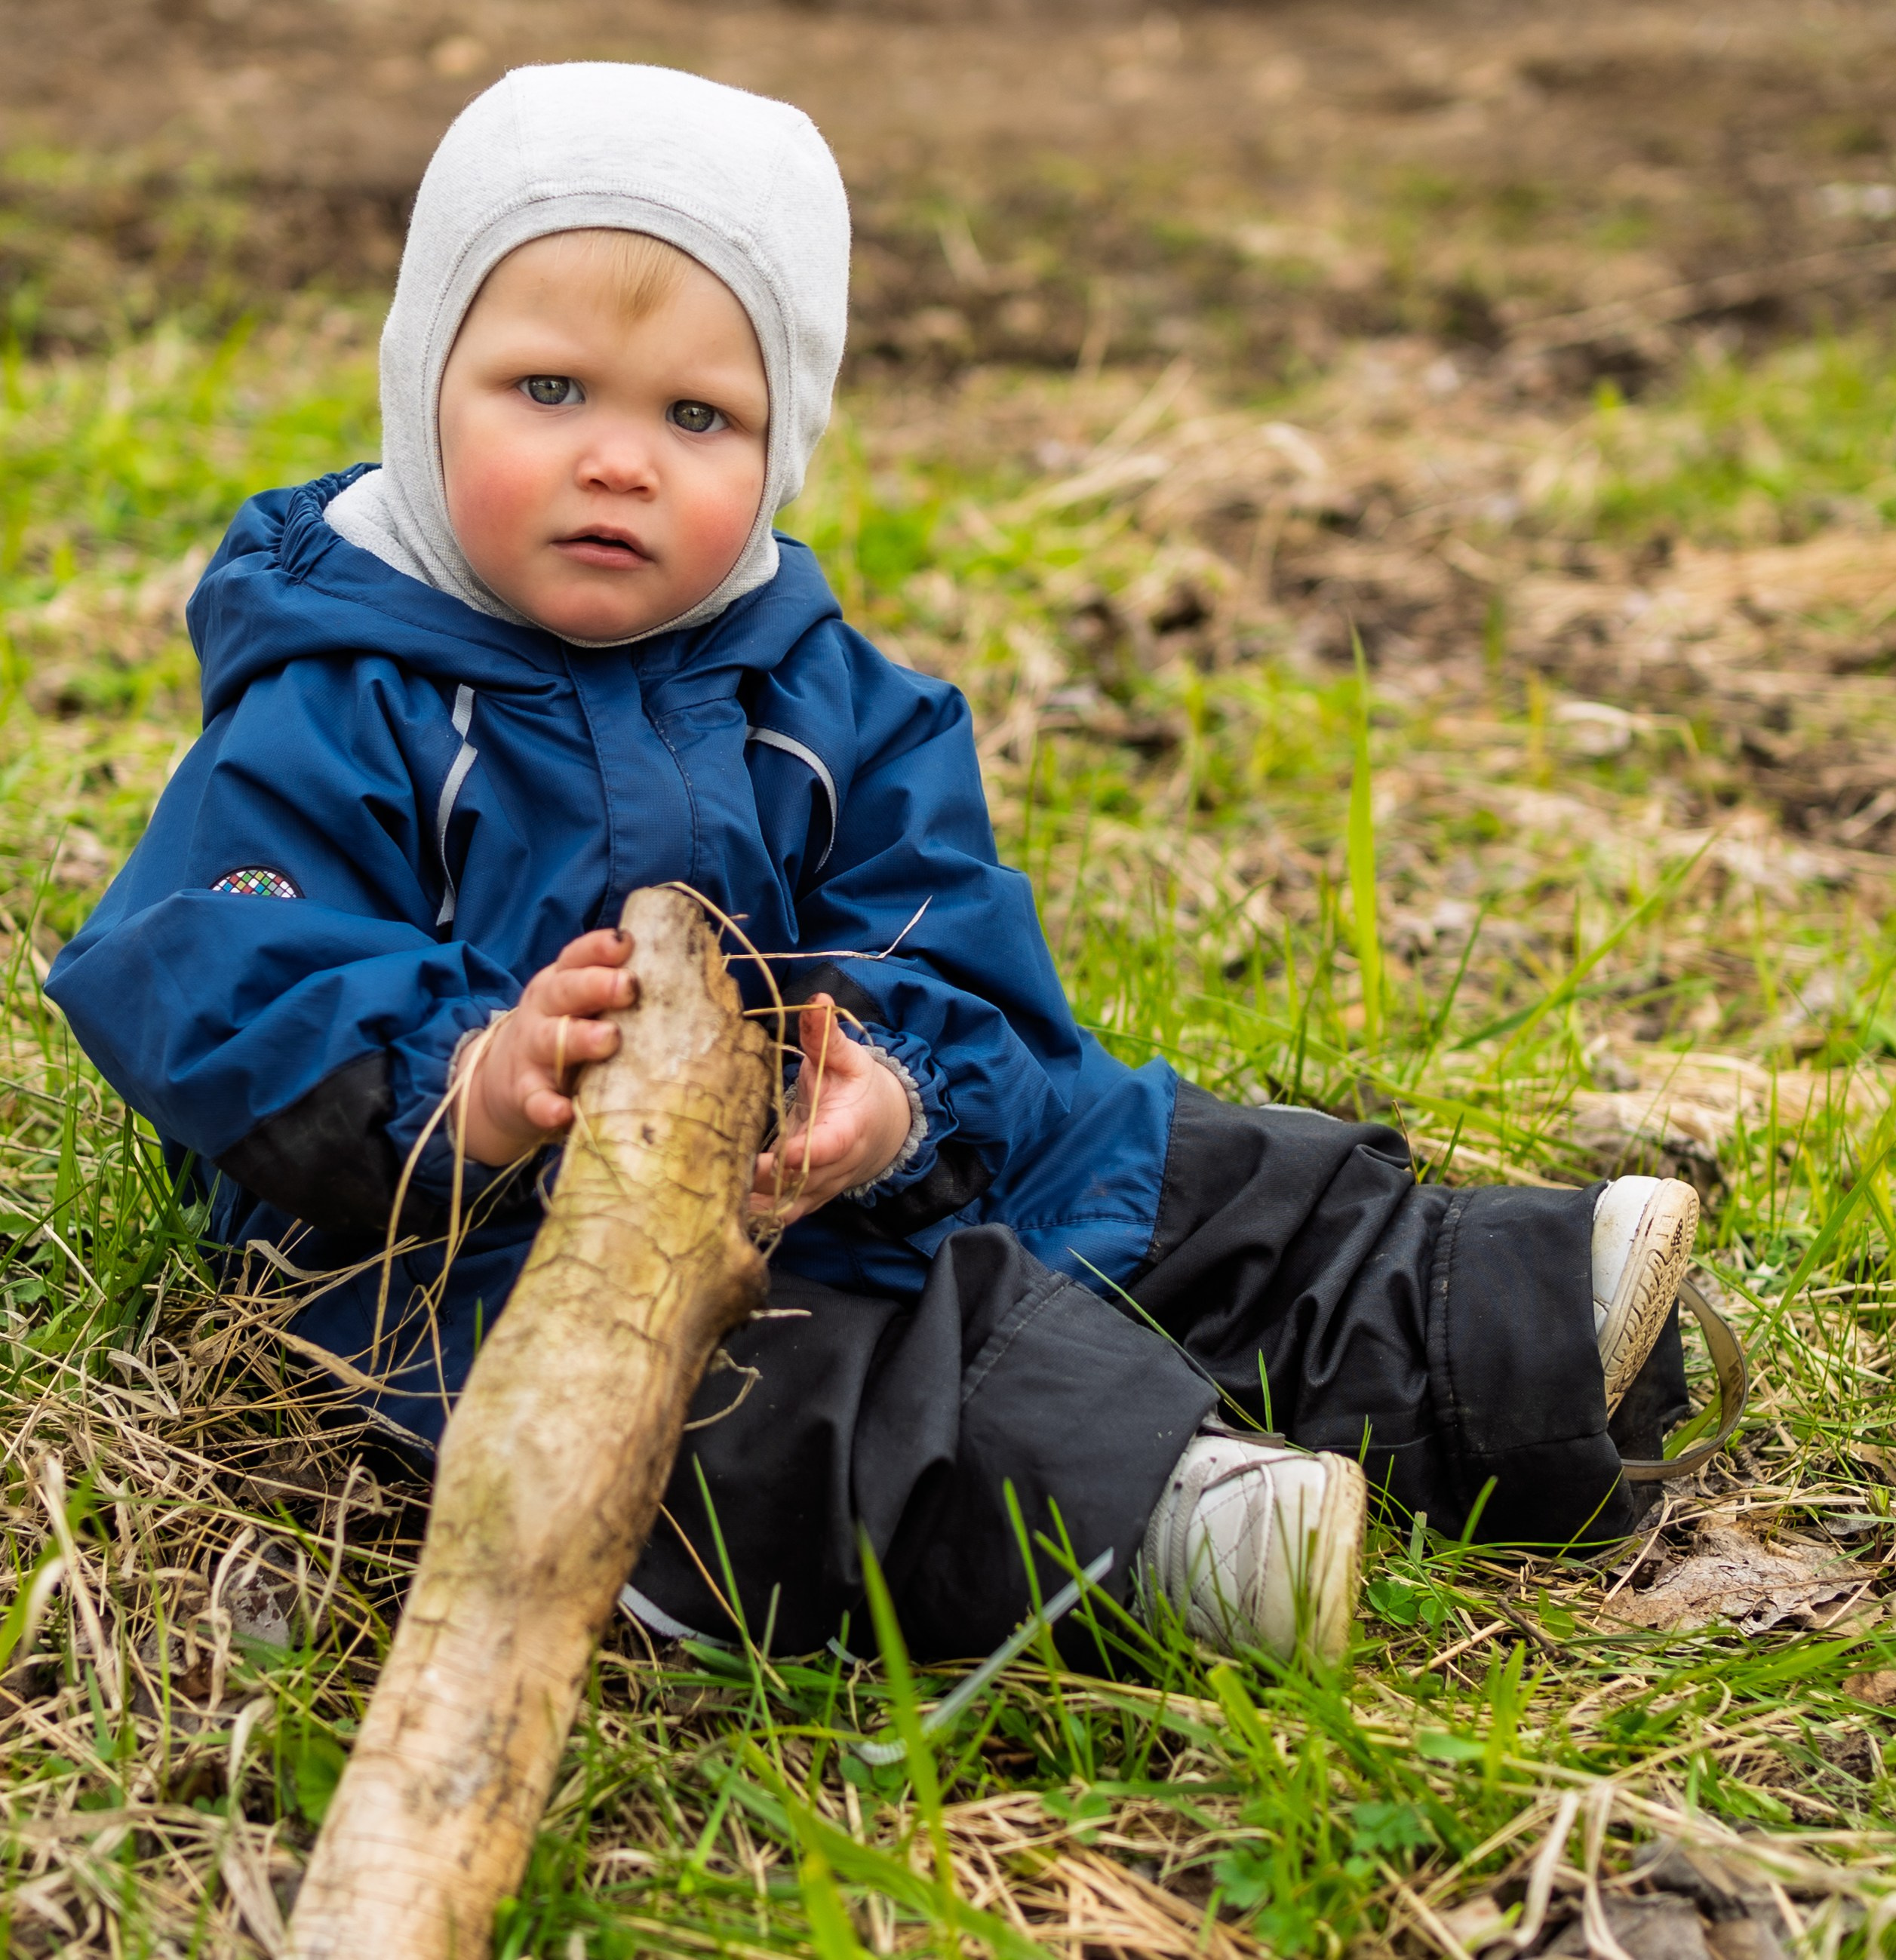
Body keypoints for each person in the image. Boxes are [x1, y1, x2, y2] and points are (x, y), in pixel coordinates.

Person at [48, 63, 1701, 1669]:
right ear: (423, 382)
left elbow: (945, 941)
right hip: (493, 1247)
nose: (618, 459)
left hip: (839, 1164)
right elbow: (212, 955)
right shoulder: (340, 697)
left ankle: (1507, 1334)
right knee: (776, 1398)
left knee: (1150, 1155)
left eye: (698, 414)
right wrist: (468, 1082)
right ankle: (1160, 1530)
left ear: (784, 445)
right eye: (549, 391)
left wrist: (893, 1094)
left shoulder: (830, 698)